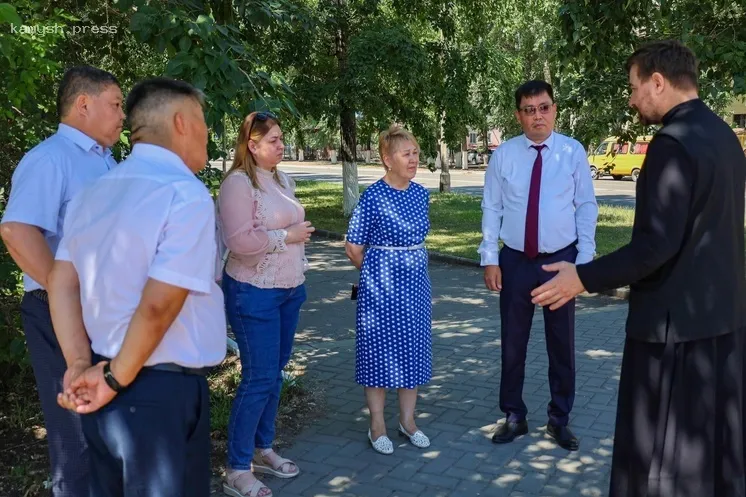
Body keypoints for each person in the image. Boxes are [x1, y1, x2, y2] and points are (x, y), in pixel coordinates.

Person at [531, 40, 746, 496]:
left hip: (672, 335)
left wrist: (581, 277)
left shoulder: (672, 144)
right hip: (722, 326)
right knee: (710, 454)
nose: (631, 99)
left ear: (658, 81)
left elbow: (655, 246)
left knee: (661, 461)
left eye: (633, 87)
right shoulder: (724, 136)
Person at [48, 77, 226, 496]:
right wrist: (111, 379)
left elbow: (60, 282)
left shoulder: (93, 192)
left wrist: (78, 364)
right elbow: (159, 306)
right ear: (181, 122)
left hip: (102, 382)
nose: (207, 132)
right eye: (203, 120)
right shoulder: (185, 194)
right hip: (156, 393)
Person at [0, 65, 123, 496]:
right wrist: (63, 292)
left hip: (100, 311)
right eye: (116, 104)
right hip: (62, 313)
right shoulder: (50, 158)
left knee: (105, 430)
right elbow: (17, 230)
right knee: (75, 436)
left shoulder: (103, 159)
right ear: (83, 104)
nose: (122, 115)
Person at [478, 80, 598, 451]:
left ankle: (559, 419)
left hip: (561, 262)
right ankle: (514, 416)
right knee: (513, 344)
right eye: (529, 110)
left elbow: (586, 206)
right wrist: (490, 257)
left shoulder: (572, 152)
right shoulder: (505, 156)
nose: (537, 116)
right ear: (518, 115)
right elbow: (492, 207)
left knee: (561, 345)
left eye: (543, 107)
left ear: (554, 109)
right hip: (515, 261)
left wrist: (585, 262)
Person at [217, 111, 313, 497]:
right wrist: (286, 236)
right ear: (251, 145)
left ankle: (263, 448)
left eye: (281, 137)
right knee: (258, 378)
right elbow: (240, 243)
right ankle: (236, 468)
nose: (281, 144)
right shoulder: (238, 184)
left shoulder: (282, 179)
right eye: (272, 139)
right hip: (253, 291)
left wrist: (296, 257)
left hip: (289, 290)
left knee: (273, 374)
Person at [345, 124, 433, 455]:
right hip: (380, 290)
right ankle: (377, 424)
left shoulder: (421, 194)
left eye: (415, 153)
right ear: (386, 158)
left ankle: (408, 422)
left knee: (411, 350)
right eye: (406, 154)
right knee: (378, 353)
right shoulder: (373, 196)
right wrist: (379, 273)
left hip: (416, 289)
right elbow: (353, 248)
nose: (413, 159)